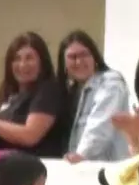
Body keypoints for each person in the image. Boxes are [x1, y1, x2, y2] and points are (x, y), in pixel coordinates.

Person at [0, 33, 71, 159]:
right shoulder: (8, 92)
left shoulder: (48, 90)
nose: (22, 64)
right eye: (17, 59)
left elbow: (30, 136)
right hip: (0, 164)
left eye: (29, 58)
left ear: (42, 62)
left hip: (33, 169)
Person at [56, 31, 131, 164]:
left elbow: (101, 124)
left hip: (107, 171)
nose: (79, 61)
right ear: (64, 63)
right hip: (81, 169)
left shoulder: (110, 83)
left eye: (84, 55)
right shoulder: (73, 90)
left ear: (95, 57)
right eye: (72, 57)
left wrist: (81, 155)